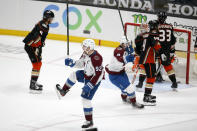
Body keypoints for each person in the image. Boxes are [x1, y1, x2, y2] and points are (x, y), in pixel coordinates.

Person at [55, 39, 104, 129]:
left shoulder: (97, 58)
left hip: (94, 80)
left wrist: (89, 85)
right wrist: (72, 63)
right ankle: (63, 91)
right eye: (83, 46)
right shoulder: (86, 53)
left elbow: (99, 74)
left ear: (90, 47)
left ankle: (89, 121)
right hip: (86, 75)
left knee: (85, 100)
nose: (83, 48)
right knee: (74, 74)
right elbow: (81, 63)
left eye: (85, 46)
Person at [105, 36, 144, 109]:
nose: (129, 44)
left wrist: (135, 60)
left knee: (125, 87)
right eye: (127, 43)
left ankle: (124, 98)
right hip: (115, 75)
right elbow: (121, 63)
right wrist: (129, 66)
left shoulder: (128, 49)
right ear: (122, 44)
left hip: (121, 72)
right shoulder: (118, 50)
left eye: (129, 43)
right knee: (129, 88)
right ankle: (134, 102)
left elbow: (132, 59)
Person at [23, 10, 54, 93]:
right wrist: (37, 48)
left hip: (34, 46)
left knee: (38, 63)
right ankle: (32, 84)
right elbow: (36, 37)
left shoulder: (45, 26)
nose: (52, 20)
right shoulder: (42, 26)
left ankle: (34, 81)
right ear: (47, 18)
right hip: (31, 46)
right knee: (37, 64)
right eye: (51, 18)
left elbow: (42, 38)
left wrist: (40, 46)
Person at [138, 20, 161, 105]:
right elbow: (156, 46)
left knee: (151, 77)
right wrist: (163, 52)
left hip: (146, 58)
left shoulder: (147, 34)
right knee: (151, 78)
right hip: (149, 59)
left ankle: (147, 95)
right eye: (157, 26)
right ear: (154, 27)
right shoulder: (153, 35)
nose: (159, 27)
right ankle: (146, 97)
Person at [156, 11, 178, 91]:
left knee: (150, 61)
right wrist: (172, 49)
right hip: (166, 49)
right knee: (167, 66)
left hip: (158, 47)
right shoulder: (170, 26)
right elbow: (173, 39)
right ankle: (174, 82)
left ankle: (154, 76)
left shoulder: (156, 25)